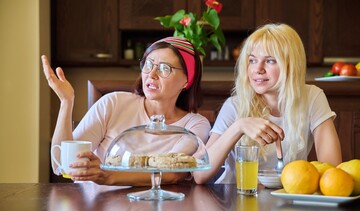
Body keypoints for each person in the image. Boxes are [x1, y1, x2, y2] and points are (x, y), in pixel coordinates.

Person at [42, 36, 211, 186]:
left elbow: (172, 173)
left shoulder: (195, 124)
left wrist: (107, 176)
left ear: (187, 81)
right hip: (98, 209)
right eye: (148, 64)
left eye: (164, 68)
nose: (151, 74)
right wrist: (66, 102)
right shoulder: (113, 103)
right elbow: (61, 166)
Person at [194, 23, 342, 184]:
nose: (258, 69)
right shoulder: (234, 105)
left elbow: (331, 170)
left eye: (270, 61)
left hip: (287, 199)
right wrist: (239, 127)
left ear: (290, 65)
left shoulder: (312, 97)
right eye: (252, 60)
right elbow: (200, 175)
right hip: (234, 200)